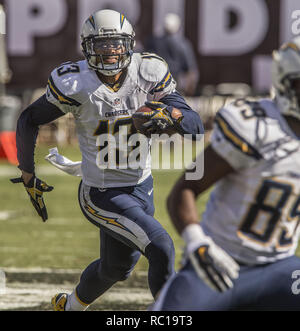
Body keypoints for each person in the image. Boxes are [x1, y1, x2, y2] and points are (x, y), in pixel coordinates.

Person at [11, 9, 203, 311]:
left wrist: (172, 117)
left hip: (142, 187)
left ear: (129, 45)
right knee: (161, 246)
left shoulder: (148, 71)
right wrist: (27, 173)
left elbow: (196, 125)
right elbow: (29, 119)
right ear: (88, 47)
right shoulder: (75, 82)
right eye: (102, 45)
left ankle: (68, 306)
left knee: (116, 269)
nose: (111, 53)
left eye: (116, 44)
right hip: (102, 192)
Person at [153, 38, 300, 311]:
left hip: (280, 268)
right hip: (220, 259)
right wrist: (198, 244)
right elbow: (183, 191)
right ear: (288, 84)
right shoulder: (256, 126)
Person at [145, 13, 199, 96]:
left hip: (156, 85)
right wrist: (190, 88)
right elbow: (191, 70)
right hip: (175, 85)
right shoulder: (183, 44)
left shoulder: (153, 42)